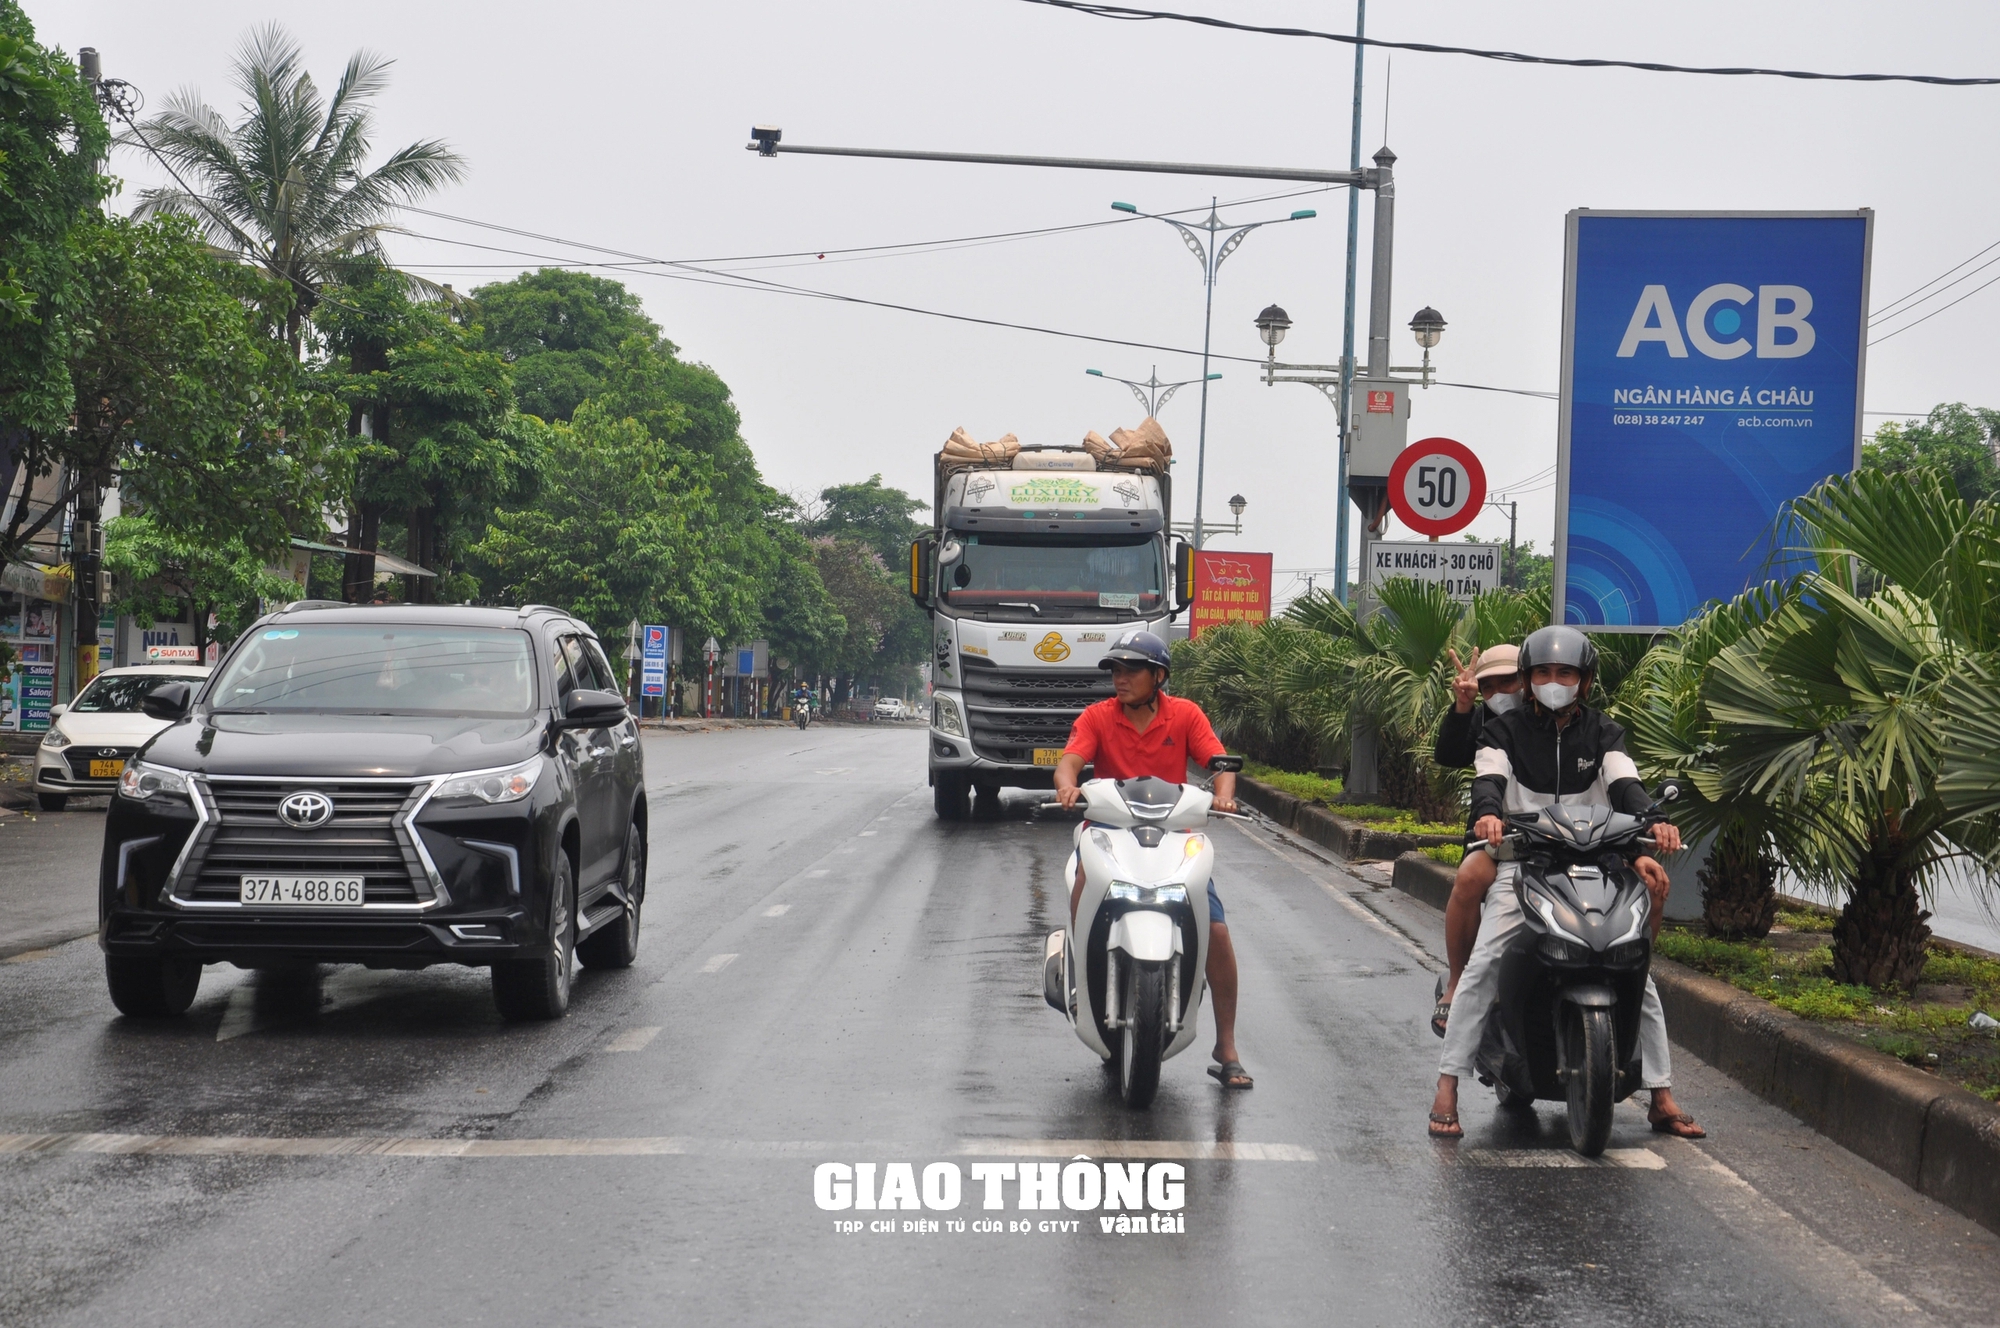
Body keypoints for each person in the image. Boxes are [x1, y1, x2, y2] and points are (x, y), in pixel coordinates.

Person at [1428, 625, 1705, 1141]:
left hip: (1598, 862)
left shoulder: (1605, 733)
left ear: (1585, 680)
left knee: (1636, 968)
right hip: (1522, 860)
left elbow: (1627, 786)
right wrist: (1489, 815)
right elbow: (1487, 780)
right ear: (1529, 681)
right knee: (1485, 961)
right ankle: (1448, 1084)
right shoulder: (1502, 730)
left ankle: (1661, 1093)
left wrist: (1652, 822)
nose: (1554, 681)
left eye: (1565, 673)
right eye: (1544, 673)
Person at [1052, 629, 1252, 1091]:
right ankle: (1082, 982)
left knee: (1216, 929)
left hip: (1174, 840)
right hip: (1108, 834)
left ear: (1158, 676)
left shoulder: (1185, 715)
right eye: (1115, 671)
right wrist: (1067, 785)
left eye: (1131, 670)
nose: (1120, 679)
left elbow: (1219, 764)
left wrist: (1222, 797)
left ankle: (1226, 1047)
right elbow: (1070, 760)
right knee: (1084, 887)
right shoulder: (1097, 716)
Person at [1428, 644, 1527, 1036]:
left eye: (1510, 680)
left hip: (1563, 835)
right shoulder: (1488, 723)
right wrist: (1464, 706)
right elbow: (1451, 755)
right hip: (1497, 831)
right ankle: (1457, 982)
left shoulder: (1572, 722)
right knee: (1470, 878)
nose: (1501, 691)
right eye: (1490, 685)